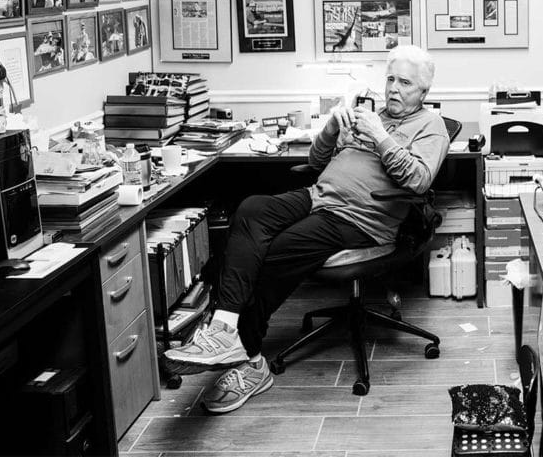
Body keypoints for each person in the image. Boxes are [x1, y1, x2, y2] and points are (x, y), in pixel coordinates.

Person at [163, 45, 450, 414]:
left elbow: (419, 180)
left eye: (405, 82)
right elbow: (316, 162)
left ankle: (250, 361)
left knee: (274, 250)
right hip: (318, 197)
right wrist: (332, 127)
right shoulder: (372, 114)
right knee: (250, 208)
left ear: (423, 91)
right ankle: (223, 326)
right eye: (390, 78)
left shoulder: (430, 127)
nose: (393, 88)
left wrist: (380, 135)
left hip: (360, 218)